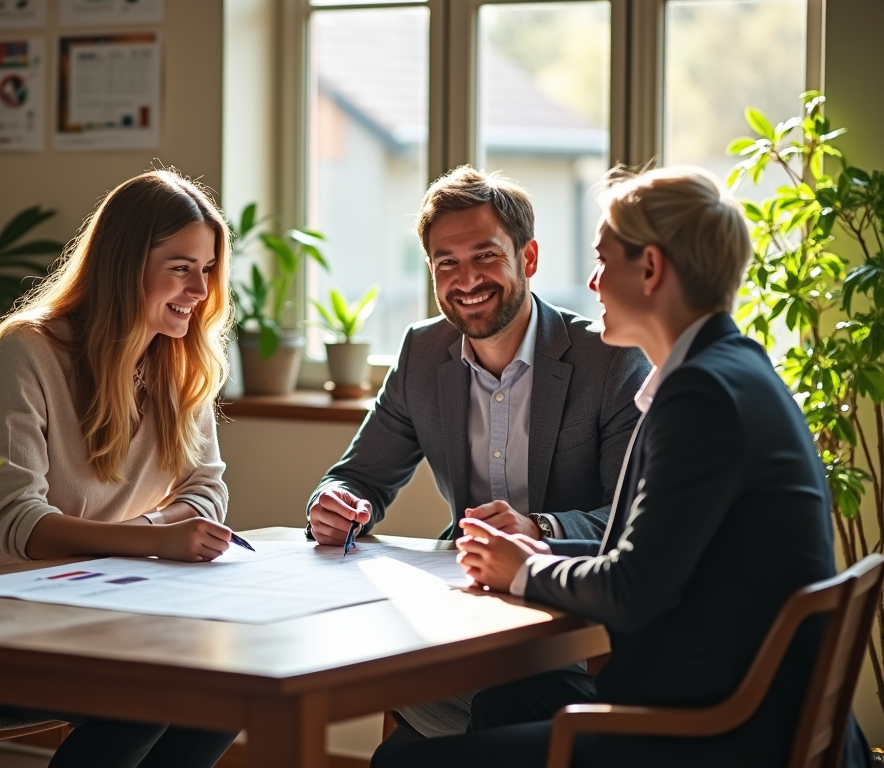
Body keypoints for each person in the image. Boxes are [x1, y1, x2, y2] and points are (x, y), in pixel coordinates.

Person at [370, 166, 872, 768]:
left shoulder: (700, 395)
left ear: (652, 270)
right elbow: (648, 561)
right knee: (513, 699)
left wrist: (523, 569)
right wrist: (533, 559)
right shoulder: (732, 368)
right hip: (744, 711)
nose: (592, 280)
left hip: (712, 736)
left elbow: (632, 589)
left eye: (604, 260)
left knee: (404, 762)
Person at [0, 170, 240, 768]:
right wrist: (156, 540)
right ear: (124, 263)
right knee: (146, 697)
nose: (200, 288)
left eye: (208, 268)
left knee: (226, 689)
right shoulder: (27, 350)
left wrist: (163, 536)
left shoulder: (178, 361)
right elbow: (21, 525)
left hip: (100, 620)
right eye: (181, 266)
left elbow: (205, 488)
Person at [307, 166, 651, 737]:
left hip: (566, 625)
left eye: (485, 256)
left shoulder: (609, 360)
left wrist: (538, 528)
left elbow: (632, 520)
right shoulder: (422, 351)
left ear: (529, 258)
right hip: (462, 617)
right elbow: (359, 475)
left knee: (445, 735)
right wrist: (338, 501)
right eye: (447, 263)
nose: (466, 279)